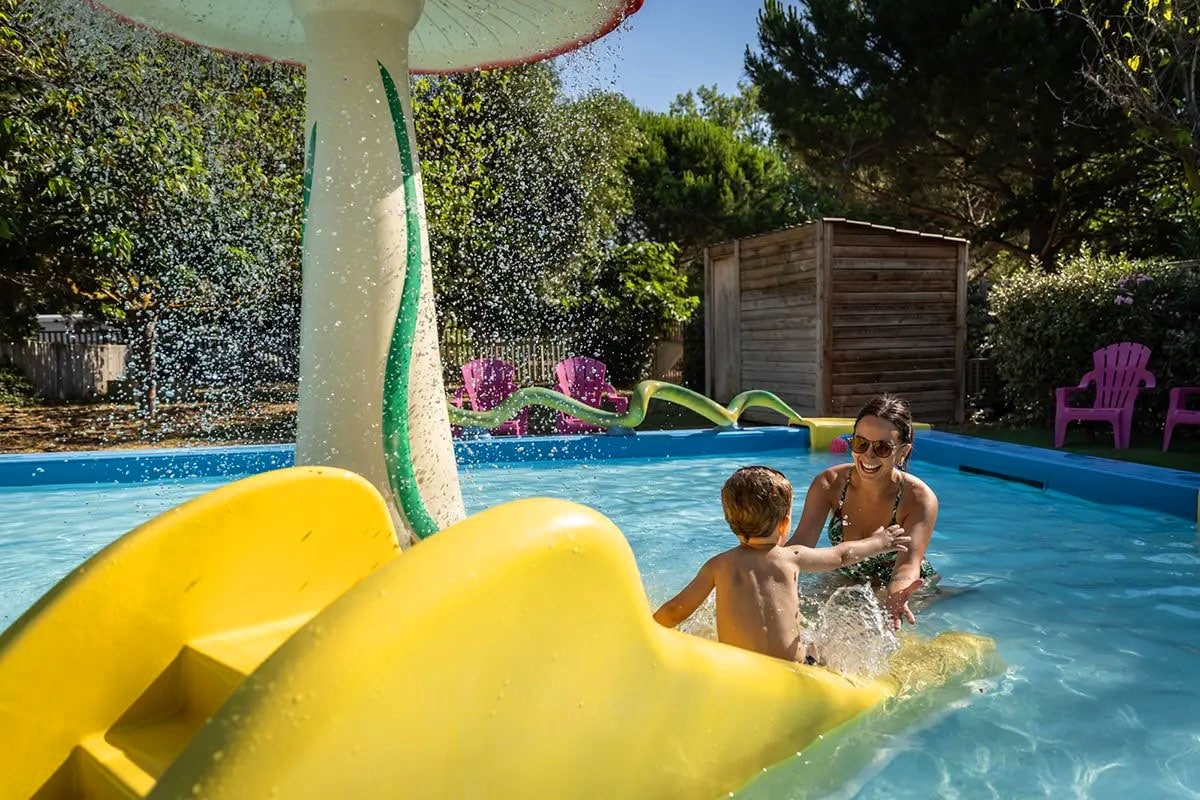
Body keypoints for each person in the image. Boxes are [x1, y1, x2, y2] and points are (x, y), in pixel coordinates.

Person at [652, 466, 911, 663]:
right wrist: (880, 541)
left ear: (729, 522)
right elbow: (842, 555)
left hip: (739, 667)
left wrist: (646, 630)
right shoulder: (792, 557)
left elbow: (676, 610)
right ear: (785, 523)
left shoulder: (718, 566)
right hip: (793, 667)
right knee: (817, 646)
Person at [788, 394, 938, 631]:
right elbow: (799, 547)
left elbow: (907, 565)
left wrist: (896, 597)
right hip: (847, 576)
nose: (868, 455)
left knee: (862, 622)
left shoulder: (918, 498)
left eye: (882, 447)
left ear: (903, 452)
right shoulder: (830, 484)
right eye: (861, 443)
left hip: (902, 586)